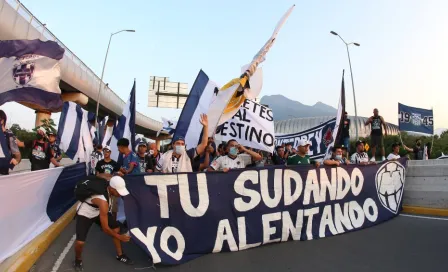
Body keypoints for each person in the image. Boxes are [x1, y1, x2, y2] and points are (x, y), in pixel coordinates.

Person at [73, 176, 133, 271]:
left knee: (116, 229)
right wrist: (119, 237)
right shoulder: (103, 201)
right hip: (86, 213)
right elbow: (105, 229)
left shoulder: (107, 185)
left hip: (99, 211)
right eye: (118, 191)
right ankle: (77, 259)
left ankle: (120, 255)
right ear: (112, 188)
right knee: (80, 242)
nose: (120, 194)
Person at [0, 110, 21, 175]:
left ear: (2, 121)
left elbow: (17, 154)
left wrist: (16, 161)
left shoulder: (8, 134)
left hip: (3, 170)